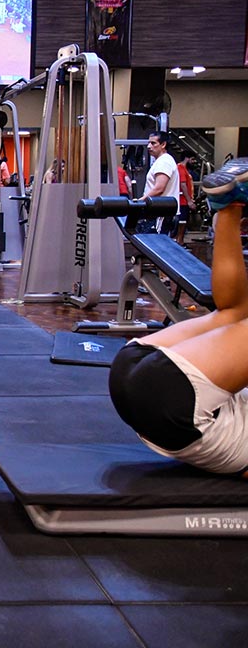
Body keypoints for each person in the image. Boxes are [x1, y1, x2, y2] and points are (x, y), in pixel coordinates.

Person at [108, 159, 248, 476]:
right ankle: (229, 205)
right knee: (235, 313)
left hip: (174, 402)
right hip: (146, 389)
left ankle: (228, 207)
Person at [141, 131, 180, 235]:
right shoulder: (161, 161)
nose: (149, 146)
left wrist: (140, 201)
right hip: (159, 212)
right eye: (148, 143)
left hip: (162, 214)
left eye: (153, 143)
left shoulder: (164, 162)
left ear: (163, 144)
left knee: (158, 248)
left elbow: (159, 188)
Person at [174, 154, 195, 244]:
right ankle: (179, 241)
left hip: (184, 200)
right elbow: (183, 185)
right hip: (182, 200)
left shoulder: (185, 169)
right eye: (192, 159)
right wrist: (189, 201)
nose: (193, 162)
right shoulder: (180, 168)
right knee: (181, 221)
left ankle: (180, 241)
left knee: (184, 221)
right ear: (187, 158)